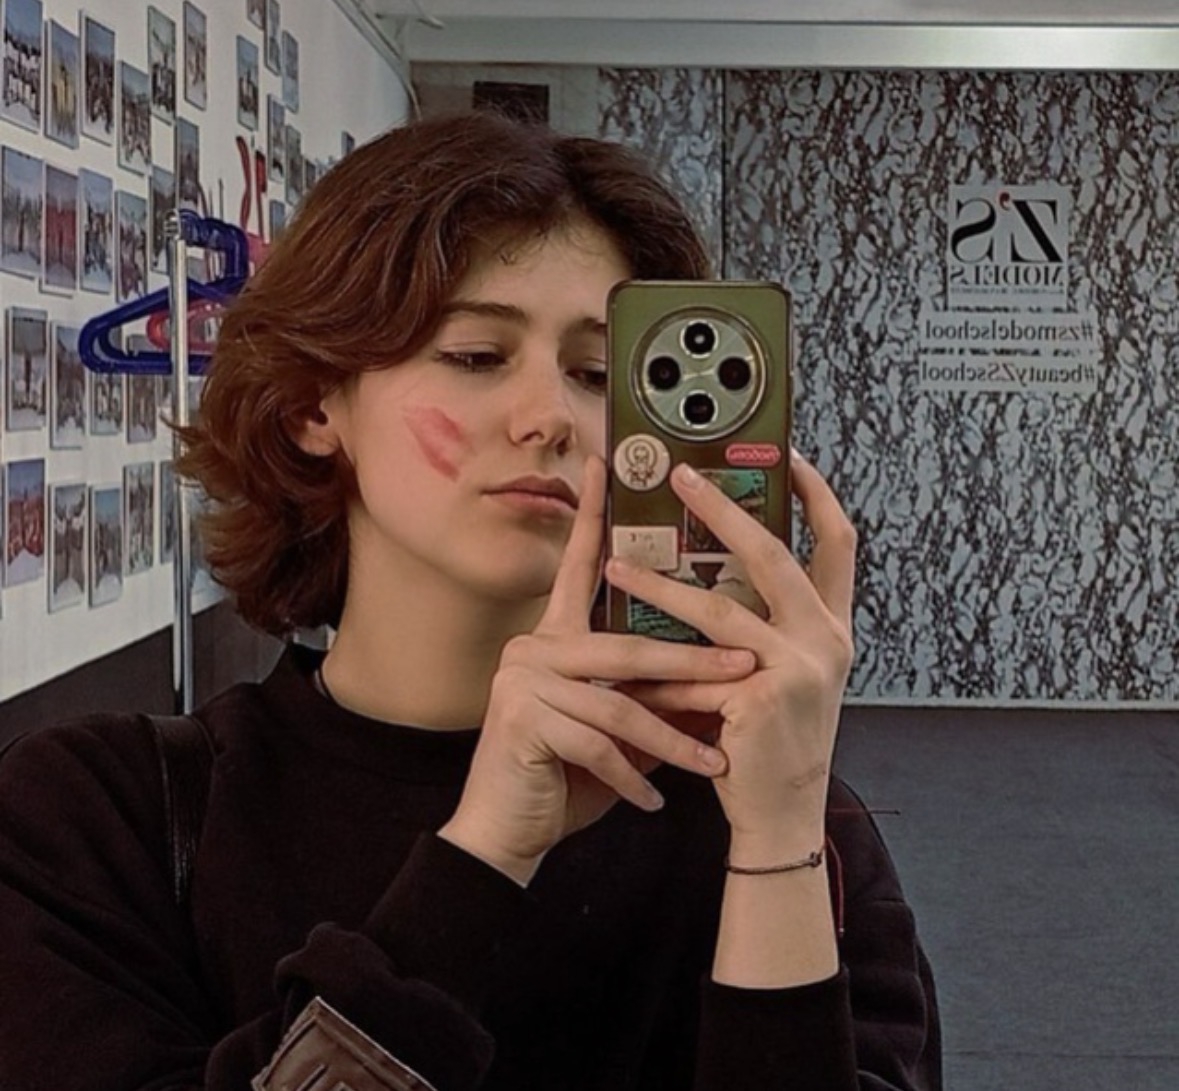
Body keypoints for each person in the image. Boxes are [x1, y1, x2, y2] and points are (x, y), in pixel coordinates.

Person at [0, 111, 940, 1090]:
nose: (550, 418)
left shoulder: (779, 822)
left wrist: (777, 851)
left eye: (596, 374)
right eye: (477, 355)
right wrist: (481, 856)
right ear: (314, 403)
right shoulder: (94, 815)